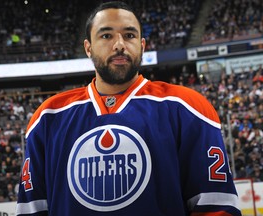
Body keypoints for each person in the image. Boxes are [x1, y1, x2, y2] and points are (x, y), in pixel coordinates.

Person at [16, 1, 242, 215]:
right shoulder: (48, 116)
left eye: (129, 35)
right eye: (106, 35)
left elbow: (216, 207)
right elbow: (32, 209)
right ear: (88, 47)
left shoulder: (187, 107)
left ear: (142, 45)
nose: (119, 44)